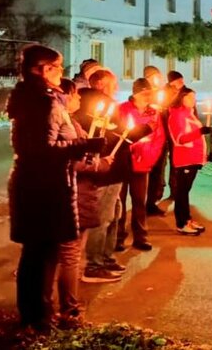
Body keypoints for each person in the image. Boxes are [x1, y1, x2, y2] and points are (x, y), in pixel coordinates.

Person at [7, 44, 104, 331]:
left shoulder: (31, 98)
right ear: (44, 69)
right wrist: (84, 144)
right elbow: (42, 148)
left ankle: (36, 315)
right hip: (45, 188)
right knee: (42, 254)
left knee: (37, 253)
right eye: (57, 67)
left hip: (38, 184)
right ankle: (38, 318)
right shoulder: (44, 102)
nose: (61, 73)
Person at [56, 78, 114, 325]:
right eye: (75, 95)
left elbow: (85, 153)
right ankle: (68, 308)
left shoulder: (73, 123)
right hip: (73, 192)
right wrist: (99, 163)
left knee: (73, 253)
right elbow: (75, 159)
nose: (78, 99)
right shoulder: (64, 124)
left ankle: (66, 304)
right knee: (69, 253)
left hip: (80, 192)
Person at [77, 71, 133, 282]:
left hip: (113, 170)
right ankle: (94, 264)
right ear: (100, 84)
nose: (116, 88)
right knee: (102, 217)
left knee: (114, 215)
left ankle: (106, 257)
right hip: (105, 171)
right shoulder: (95, 106)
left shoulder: (100, 104)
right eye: (113, 83)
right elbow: (106, 136)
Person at [117, 78, 165, 251]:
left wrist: (151, 157)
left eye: (150, 93)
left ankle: (141, 237)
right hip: (123, 161)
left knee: (139, 202)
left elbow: (159, 137)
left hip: (143, 161)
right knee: (119, 202)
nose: (148, 97)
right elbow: (118, 133)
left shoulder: (154, 112)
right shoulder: (122, 109)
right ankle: (118, 236)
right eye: (144, 93)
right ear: (135, 94)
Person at [168, 86, 208, 236]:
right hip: (185, 159)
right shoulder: (177, 115)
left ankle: (187, 219)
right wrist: (199, 132)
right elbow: (179, 139)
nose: (193, 100)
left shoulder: (189, 114)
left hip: (194, 158)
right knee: (182, 192)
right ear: (182, 98)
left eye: (194, 98)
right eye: (190, 97)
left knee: (185, 191)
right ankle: (182, 223)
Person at [148, 70, 185, 214]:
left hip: (174, 133)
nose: (181, 83)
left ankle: (174, 190)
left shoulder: (183, 93)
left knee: (176, 163)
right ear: (171, 82)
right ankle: (156, 194)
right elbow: (163, 111)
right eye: (179, 81)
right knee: (159, 165)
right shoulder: (162, 94)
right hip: (162, 134)